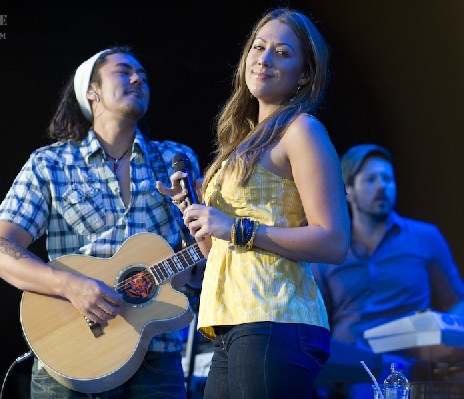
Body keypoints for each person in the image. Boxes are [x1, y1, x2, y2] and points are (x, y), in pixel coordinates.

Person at [0, 46, 203, 399]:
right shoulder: (51, 163)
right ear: (91, 90)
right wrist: (71, 286)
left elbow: (199, 253)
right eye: (124, 71)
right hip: (74, 354)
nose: (137, 79)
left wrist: (200, 257)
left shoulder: (175, 160)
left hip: (157, 355)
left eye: (143, 76)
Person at [157, 8, 350, 398]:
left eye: (282, 53)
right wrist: (194, 215)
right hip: (229, 324)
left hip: (276, 319)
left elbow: (333, 241)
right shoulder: (238, 145)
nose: (264, 59)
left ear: (305, 74)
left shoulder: (302, 131)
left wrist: (233, 226)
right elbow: (217, 253)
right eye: (258, 48)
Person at [311, 143, 464, 399]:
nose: (382, 186)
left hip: (411, 363)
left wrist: (443, 339)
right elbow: (315, 320)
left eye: (387, 178)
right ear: (348, 190)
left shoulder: (425, 237)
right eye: (370, 180)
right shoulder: (329, 247)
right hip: (348, 369)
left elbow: (457, 301)